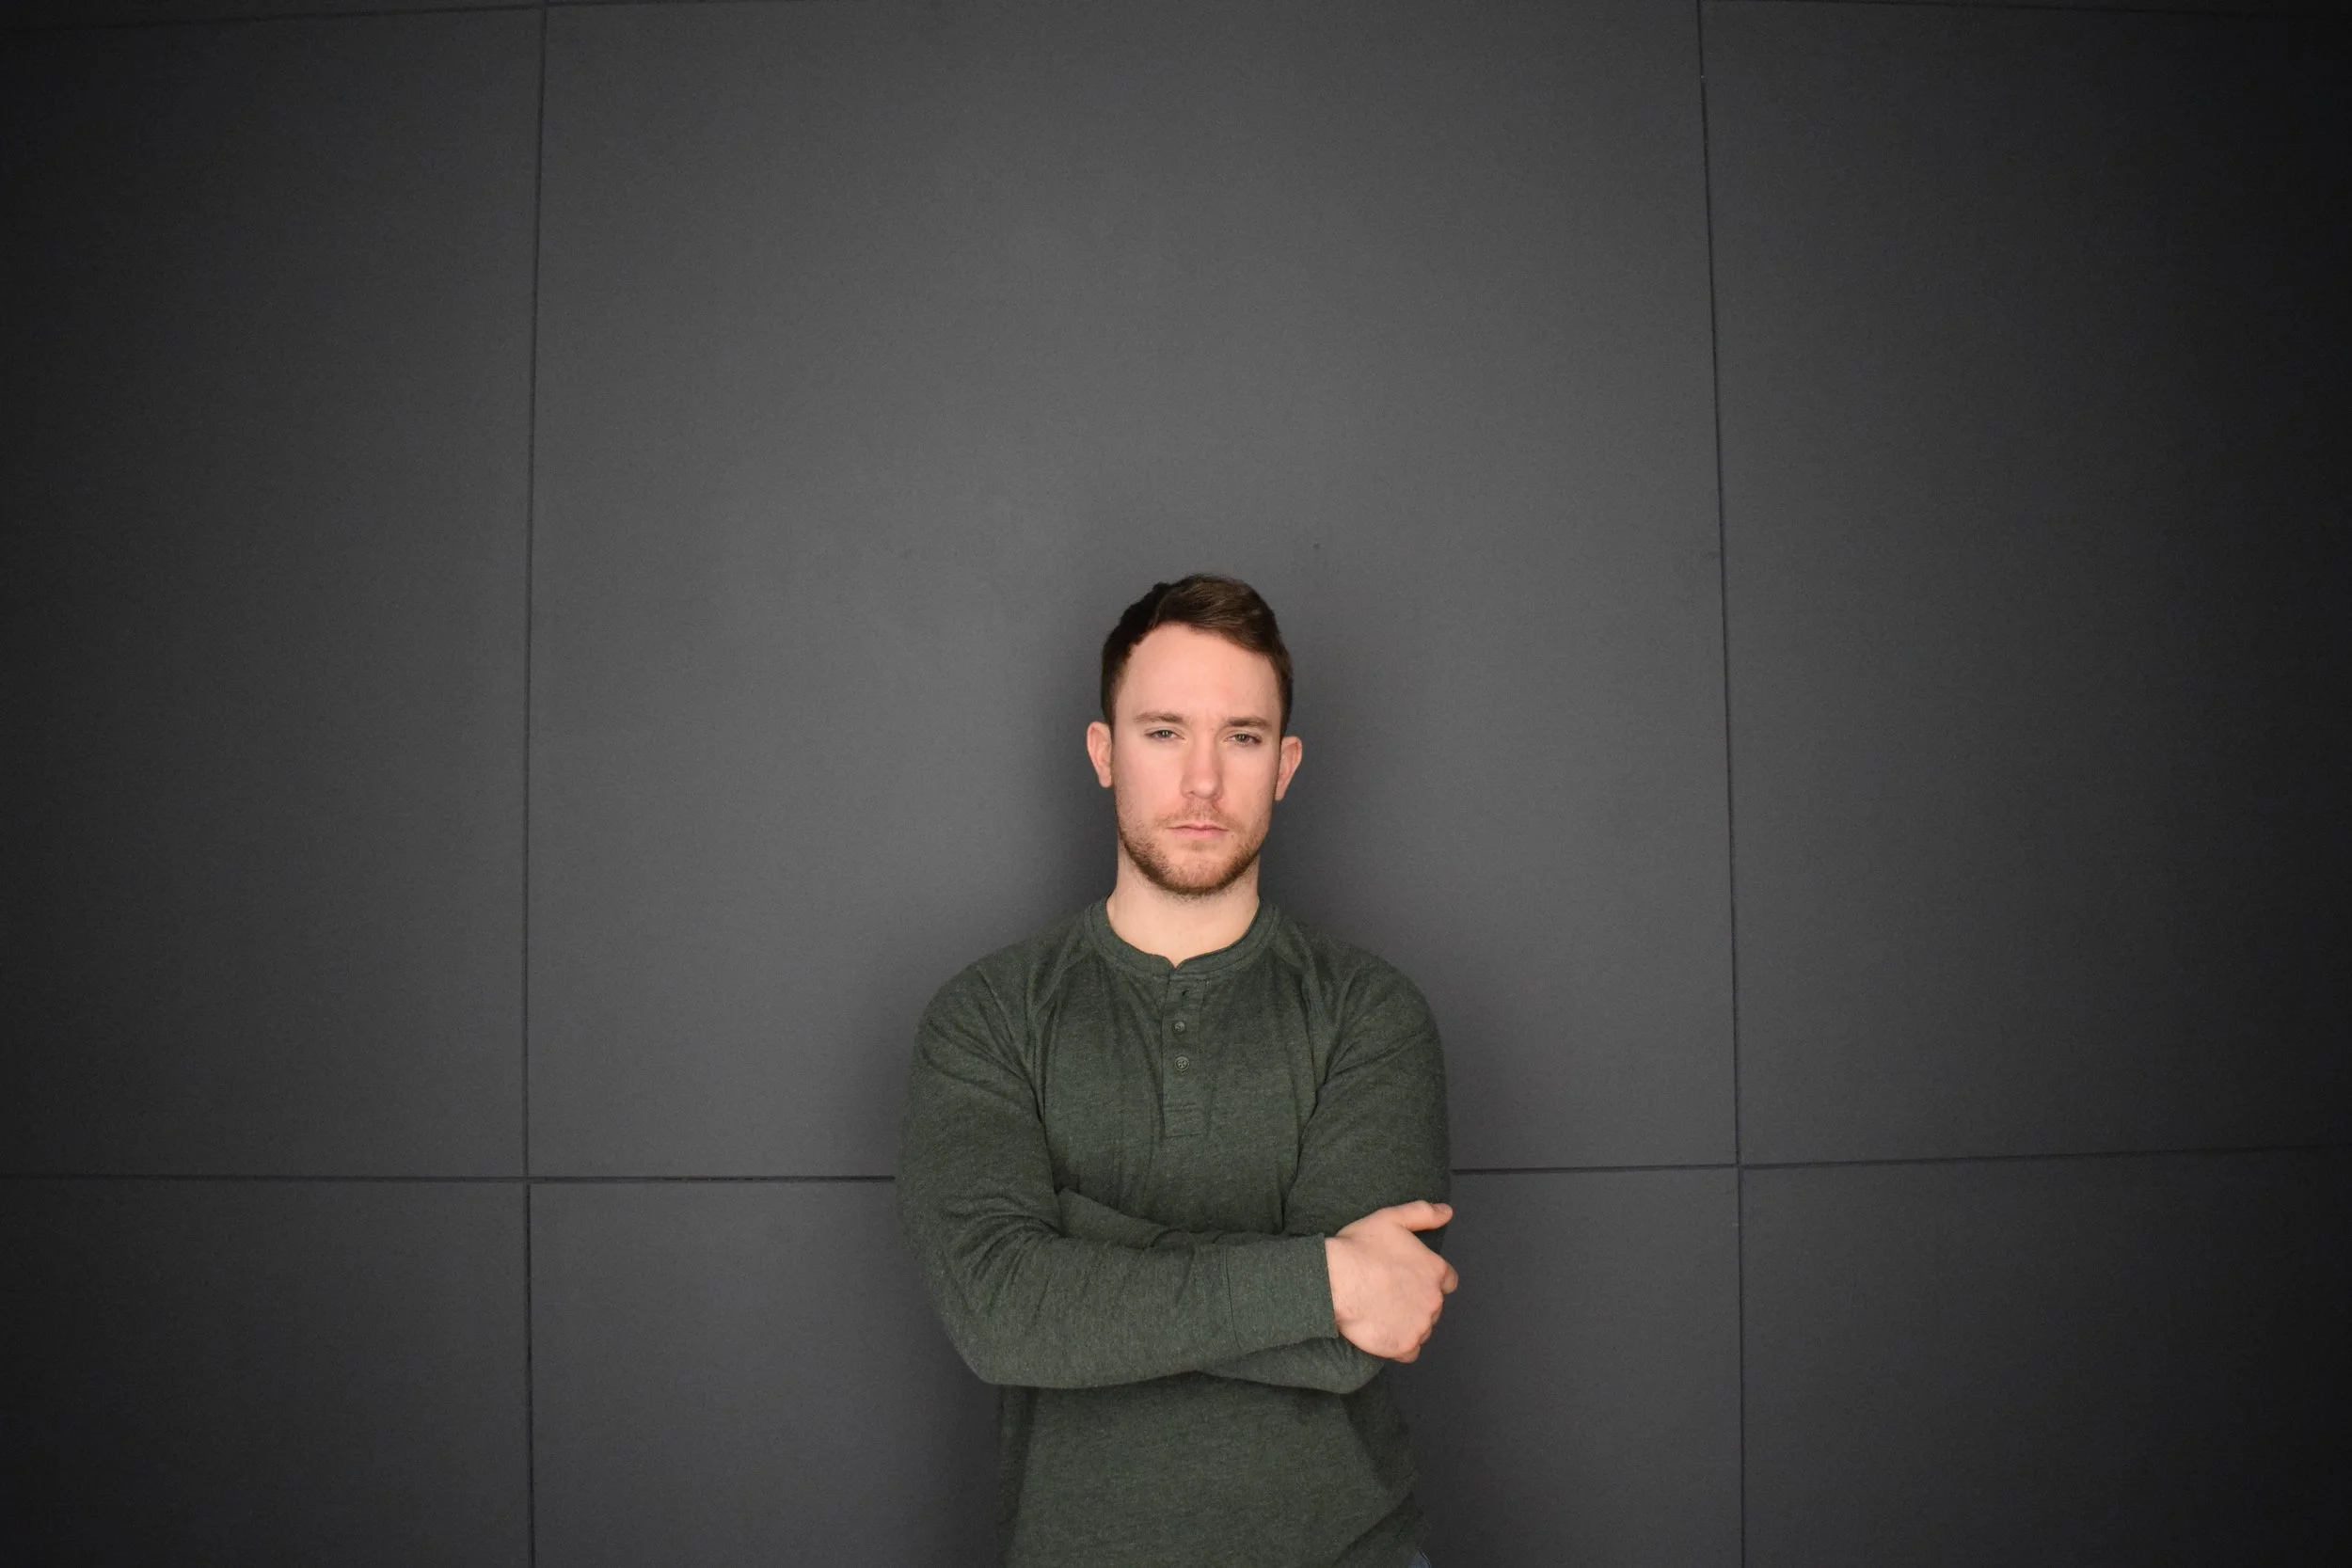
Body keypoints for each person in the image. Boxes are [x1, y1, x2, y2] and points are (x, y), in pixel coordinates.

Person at [895, 573, 1456, 1568]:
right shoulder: (986, 1016)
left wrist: (1076, 1245)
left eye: (1240, 736)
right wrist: (1319, 1273)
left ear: (1283, 764)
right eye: (1163, 732)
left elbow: (1356, 1335)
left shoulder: (1371, 1012)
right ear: (1103, 752)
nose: (1201, 779)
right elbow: (1000, 1313)